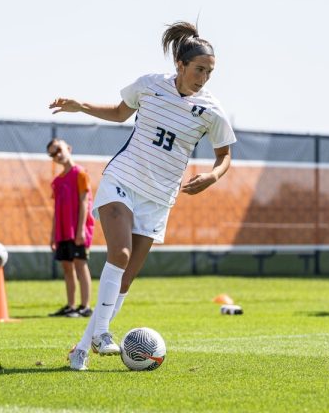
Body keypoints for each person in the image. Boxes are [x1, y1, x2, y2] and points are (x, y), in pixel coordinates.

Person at [49, 21, 236, 370]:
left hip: (159, 197)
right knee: (118, 253)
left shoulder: (211, 109)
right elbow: (120, 113)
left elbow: (224, 157)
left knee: (128, 274)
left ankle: (82, 348)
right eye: (199, 70)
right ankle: (102, 332)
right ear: (180, 65)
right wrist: (81, 105)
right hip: (123, 178)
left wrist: (211, 176)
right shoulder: (149, 85)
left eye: (210, 72)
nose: (204, 78)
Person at [46, 138, 94, 318]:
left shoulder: (80, 173)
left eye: (58, 150)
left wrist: (81, 229)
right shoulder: (57, 181)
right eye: (52, 154)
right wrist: (53, 235)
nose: (57, 155)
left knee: (80, 265)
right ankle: (71, 306)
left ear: (68, 148)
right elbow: (57, 210)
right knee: (67, 267)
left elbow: (84, 203)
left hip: (78, 230)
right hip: (63, 231)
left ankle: (85, 306)